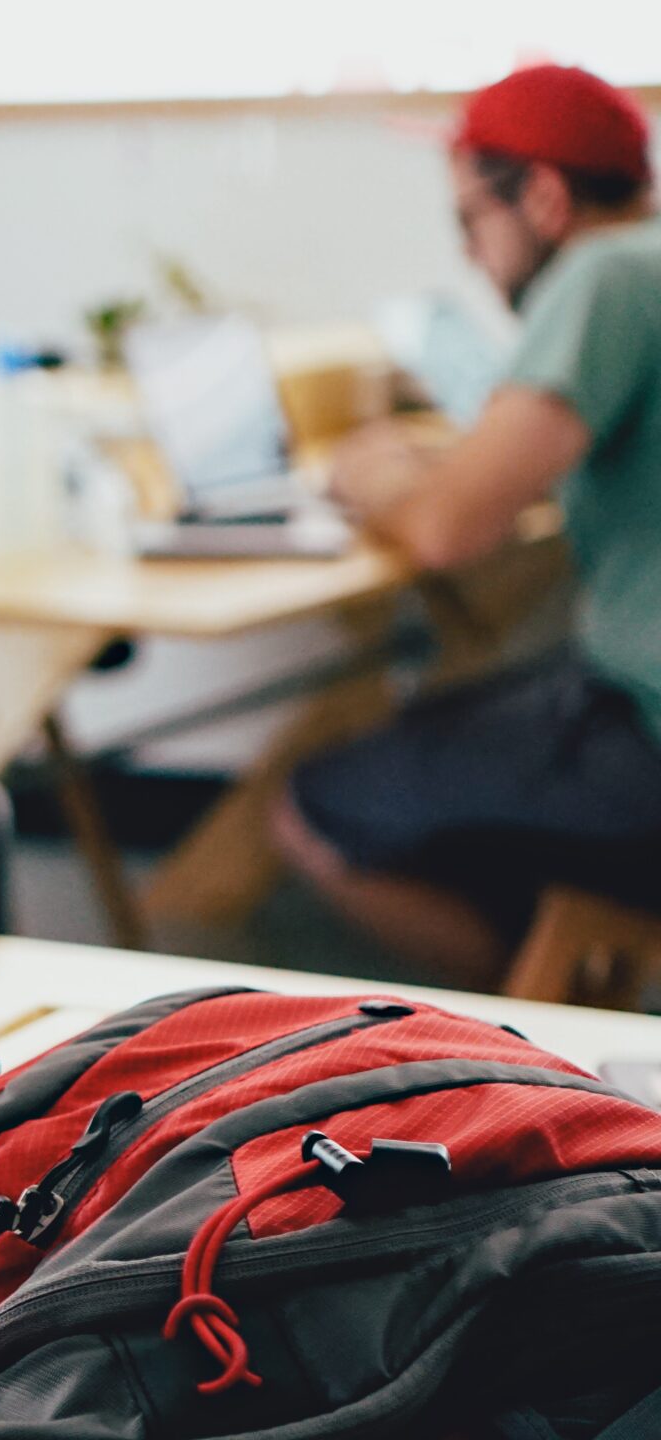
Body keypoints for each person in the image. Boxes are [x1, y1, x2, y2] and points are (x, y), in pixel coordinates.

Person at [274, 64, 661, 990]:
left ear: (544, 194)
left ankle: (524, 1043)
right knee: (446, 722)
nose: (469, 256)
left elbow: (447, 530)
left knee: (315, 805)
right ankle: (561, 978)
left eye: (469, 222)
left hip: (645, 731)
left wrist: (371, 477)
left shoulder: (607, 273)